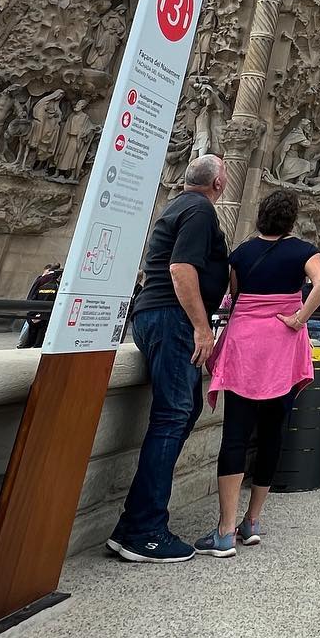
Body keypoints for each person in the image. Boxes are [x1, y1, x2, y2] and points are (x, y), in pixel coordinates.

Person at [107, 155, 229, 563]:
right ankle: (144, 530)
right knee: (173, 415)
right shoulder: (198, 210)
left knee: (183, 409)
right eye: (225, 172)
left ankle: (134, 523)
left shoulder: (180, 206)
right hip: (172, 318)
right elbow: (180, 268)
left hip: (156, 316)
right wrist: (201, 326)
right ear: (217, 183)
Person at [195, 188, 320, 554]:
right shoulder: (303, 251)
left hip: (245, 347)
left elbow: (235, 298)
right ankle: (251, 521)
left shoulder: (241, 253)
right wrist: (300, 317)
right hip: (282, 348)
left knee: (235, 435)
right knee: (272, 434)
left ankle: (225, 529)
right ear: (291, 220)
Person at [17, 261, 62, 348]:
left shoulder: (42, 280)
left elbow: (33, 295)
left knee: (31, 330)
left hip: (36, 310)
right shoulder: (56, 285)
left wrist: (33, 312)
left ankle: (24, 344)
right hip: (46, 313)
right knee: (40, 334)